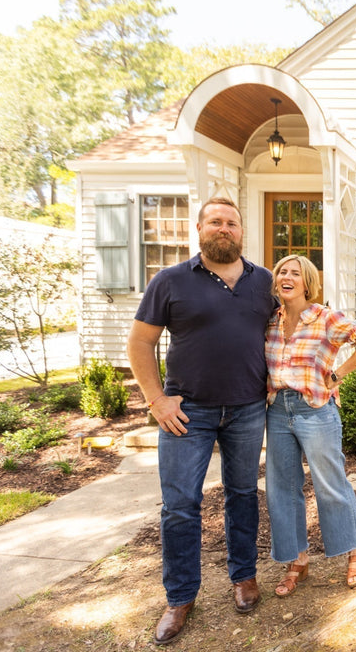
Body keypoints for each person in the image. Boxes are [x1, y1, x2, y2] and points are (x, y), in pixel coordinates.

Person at [127, 197, 276, 646]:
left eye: (232, 222)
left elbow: (287, 331)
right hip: (187, 413)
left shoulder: (264, 281)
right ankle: (179, 598)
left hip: (248, 408)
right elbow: (139, 343)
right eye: (216, 221)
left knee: (243, 494)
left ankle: (243, 576)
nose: (224, 228)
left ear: (241, 231)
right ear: (199, 228)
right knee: (179, 506)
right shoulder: (170, 280)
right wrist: (157, 399)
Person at [264, 253, 356, 598]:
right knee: (282, 489)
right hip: (277, 409)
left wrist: (338, 375)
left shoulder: (325, 318)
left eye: (295, 273)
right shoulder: (270, 321)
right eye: (281, 272)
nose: (286, 277)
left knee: (331, 484)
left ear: (308, 282)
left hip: (315, 408)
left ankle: (355, 553)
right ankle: (297, 561)